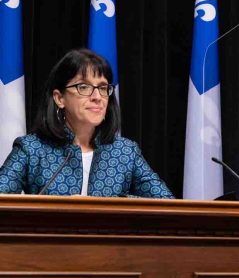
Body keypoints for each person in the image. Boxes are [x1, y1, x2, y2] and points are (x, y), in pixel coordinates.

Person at [0, 48, 174, 198]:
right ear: (59, 98)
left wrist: (111, 203)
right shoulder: (32, 149)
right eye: (83, 87)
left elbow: (166, 204)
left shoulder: (125, 152)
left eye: (103, 88)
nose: (97, 97)